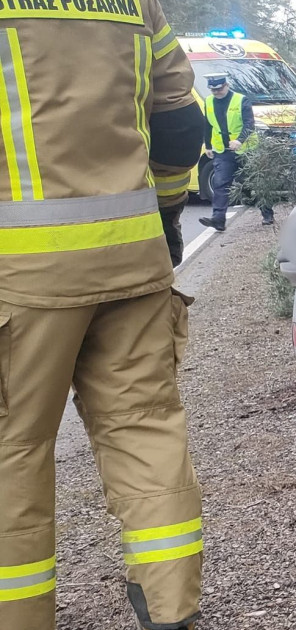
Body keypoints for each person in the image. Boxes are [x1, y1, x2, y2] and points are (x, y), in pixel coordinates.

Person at [0, 1, 206, 629]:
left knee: (13, 449)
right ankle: (170, 609)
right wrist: (166, 214)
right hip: (132, 261)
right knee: (145, 427)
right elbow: (180, 124)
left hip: (18, 275)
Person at [197, 74, 267, 230]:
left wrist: (239, 140)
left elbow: (249, 124)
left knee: (254, 183)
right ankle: (218, 220)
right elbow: (208, 125)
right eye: (213, 90)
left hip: (246, 150)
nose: (216, 92)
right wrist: (208, 145)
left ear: (226, 85)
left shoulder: (241, 100)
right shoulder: (209, 101)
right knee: (220, 183)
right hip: (223, 151)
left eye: (219, 89)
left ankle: (267, 214)